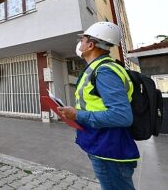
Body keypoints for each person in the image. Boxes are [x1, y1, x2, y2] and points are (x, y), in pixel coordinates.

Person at [58, 22, 139, 190]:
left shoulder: (105, 71)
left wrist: (78, 115)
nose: (80, 43)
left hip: (109, 149)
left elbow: (121, 116)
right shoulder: (97, 68)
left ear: (91, 45)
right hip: (100, 145)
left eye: (83, 39)